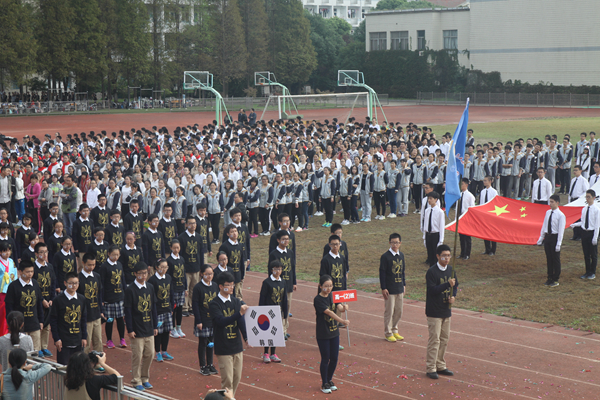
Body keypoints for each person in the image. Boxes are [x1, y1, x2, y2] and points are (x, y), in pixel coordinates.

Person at [209, 272, 248, 396]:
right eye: (228, 285)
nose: (231, 287)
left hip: (236, 346)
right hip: (223, 347)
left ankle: (230, 398)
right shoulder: (214, 304)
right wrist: (238, 314)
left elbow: (240, 321)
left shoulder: (236, 301)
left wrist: (246, 337)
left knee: (237, 377)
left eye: (232, 285)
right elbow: (221, 322)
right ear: (220, 286)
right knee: (228, 380)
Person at [124, 261, 158, 391]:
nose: (143, 276)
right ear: (135, 274)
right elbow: (128, 311)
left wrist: (155, 325)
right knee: (137, 356)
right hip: (137, 329)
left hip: (149, 327)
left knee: (150, 354)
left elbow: (153, 307)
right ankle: (136, 380)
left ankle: (145, 378)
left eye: (145, 273)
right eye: (141, 273)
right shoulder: (130, 290)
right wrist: (130, 329)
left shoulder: (149, 287)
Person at [425, 244, 458, 380]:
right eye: (444, 256)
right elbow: (432, 290)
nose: (446, 258)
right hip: (434, 311)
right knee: (435, 340)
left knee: (444, 339)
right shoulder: (431, 272)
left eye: (448, 256)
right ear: (438, 256)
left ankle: (440, 365)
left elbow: (455, 285)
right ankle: (431, 367)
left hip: (446, 310)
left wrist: (453, 296)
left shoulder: (451, 270)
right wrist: (447, 285)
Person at [314, 274, 349, 394]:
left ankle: (329, 380)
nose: (328, 289)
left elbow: (338, 307)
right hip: (323, 333)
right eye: (326, 286)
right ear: (320, 286)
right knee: (325, 358)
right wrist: (342, 321)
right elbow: (328, 312)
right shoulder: (318, 300)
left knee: (334, 358)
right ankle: (324, 383)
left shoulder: (333, 296)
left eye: (330, 286)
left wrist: (344, 308)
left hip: (334, 332)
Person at [4, 260, 44, 351]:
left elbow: (39, 304)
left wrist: (41, 321)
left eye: (32, 271)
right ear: (20, 271)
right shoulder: (13, 286)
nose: (30, 274)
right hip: (19, 328)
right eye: (27, 272)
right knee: (21, 353)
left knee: (35, 352)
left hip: (34, 325)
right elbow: (9, 307)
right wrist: (11, 324)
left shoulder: (35, 284)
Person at [50, 272, 88, 365]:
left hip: (77, 340)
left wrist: (84, 337)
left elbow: (83, 319)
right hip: (64, 341)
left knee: (78, 368)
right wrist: (57, 339)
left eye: (76, 283)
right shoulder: (58, 300)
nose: (74, 285)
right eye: (71, 283)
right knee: (64, 368)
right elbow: (53, 321)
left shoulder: (82, 299)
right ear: (65, 283)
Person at [267, 230, 295, 337]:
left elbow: (293, 268)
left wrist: (294, 282)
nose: (286, 241)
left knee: (287, 307)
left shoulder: (290, 252)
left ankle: (284, 329)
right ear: (278, 240)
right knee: (278, 307)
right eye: (283, 239)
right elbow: (269, 269)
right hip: (277, 285)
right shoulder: (274, 254)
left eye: (287, 239)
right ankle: (278, 329)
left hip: (288, 284)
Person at [192, 264, 219, 376]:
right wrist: (198, 321)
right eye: (207, 274)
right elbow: (195, 305)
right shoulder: (198, 287)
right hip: (203, 319)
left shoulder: (215, 286)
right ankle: (203, 366)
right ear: (202, 274)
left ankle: (210, 364)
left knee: (211, 342)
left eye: (211, 274)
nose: (209, 276)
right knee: (203, 343)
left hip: (212, 320)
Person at [259, 260, 287, 363]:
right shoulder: (267, 282)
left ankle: (273, 353)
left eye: (279, 269)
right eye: (276, 269)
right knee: (267, 333)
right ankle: (266, 353)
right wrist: (261, 311)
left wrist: (285, 312)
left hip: (278, 311)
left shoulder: (283, 282)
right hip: (267, 311)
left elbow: (284, 298)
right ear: (271, 270)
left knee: (275, 332)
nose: (278, 271)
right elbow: (262, 297)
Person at [379, 233, 405, 343]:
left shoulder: (401, 255)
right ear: (389, 243)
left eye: (397, 242)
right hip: (390, 289)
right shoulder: (385, 257)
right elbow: (382, 273)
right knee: (389, 311)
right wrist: (384, 288)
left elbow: (403, 271)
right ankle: (388, 332)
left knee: (399, 311)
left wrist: (404, 285)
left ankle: (395, 329)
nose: (395, 244)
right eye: (393, 242)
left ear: (400, 243)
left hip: (399, 287)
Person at [77, 252, 104, 358]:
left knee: (98, 341)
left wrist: (101, 310)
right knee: (86, 343)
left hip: (96, 314)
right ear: (83, 263)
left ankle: (98, 363)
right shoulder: (79, 278)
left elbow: (99, 295)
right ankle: (85, 364)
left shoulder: (97, 276)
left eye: (93, 265)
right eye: (89, 265)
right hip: (85, 316)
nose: (92, 267)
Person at [147, 259, 174, 362]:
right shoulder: (152, 280)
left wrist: (171, 307)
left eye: (166, 267)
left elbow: (171, 292)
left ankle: (164, 351)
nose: (164, 269)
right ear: (157, 267)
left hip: (167, 309)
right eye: (162, 267)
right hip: (158, 311)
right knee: (158, 332)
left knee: (166, 331)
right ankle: (158, 352)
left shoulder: (168, 278)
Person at [100, 245, 126, 349]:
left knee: (120, 319)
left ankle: (122, 339)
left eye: (117, 255)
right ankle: (109, 340)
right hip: (109, 297)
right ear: (108, 254)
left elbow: (122, 279)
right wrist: (102, 299)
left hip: (119, 296)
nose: (116, 257)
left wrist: (125, 293)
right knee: (110, 319)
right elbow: (101, 283)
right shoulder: (104, 267)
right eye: (113, 254)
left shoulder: (119, 264)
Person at [178, 216, 205, 317]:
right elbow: (180, 255)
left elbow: (201, 253)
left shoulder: (199, 237)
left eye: (194, 223)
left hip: (196, 268)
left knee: (194, 289)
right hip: (186, 268)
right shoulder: (181, 238)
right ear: (186, 225)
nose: (192, 225)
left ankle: (192, 307)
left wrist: (202, 268)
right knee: (186, 289)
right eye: (190, 223)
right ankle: (184, 308)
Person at [538, 194, 566, 287]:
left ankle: (555, 278)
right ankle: (549, 277)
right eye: (550, 201)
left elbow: (561, 230)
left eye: (552, 202)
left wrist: (559, 243)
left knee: (555, 259)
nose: (550, 204)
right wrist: (541, 238)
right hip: (548, 237)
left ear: (557, 203)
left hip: (555, 237)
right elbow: (544, 225)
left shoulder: (561, 215)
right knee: (549, 258)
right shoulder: (548, 212)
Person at [571, 189, 599, 280]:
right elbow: (583, 222)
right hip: (584, 232)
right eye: (586, 197)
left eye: (589, 197)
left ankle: (592, 272)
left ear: (594, 198)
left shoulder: (596, 210)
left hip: (592, 233)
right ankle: (587, 271)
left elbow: (597, 225)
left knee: (593, 254)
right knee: (586, 253)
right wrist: (575, 224)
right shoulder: (584, 209)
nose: (587, 199)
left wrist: (595, 237)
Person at [33, 242, 55, 357]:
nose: (44, 254)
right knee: (39, 324)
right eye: (41, 252)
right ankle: (38, 348)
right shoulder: (34, 268)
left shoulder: (49, 266)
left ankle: (44, 347)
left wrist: (52, 298)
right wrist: (41, 300)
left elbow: (53, 283)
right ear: (36, 254)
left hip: (48, 301)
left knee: (47, 325)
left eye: (46, 252)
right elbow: (34, 287)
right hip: (38, 301)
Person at [218, 225, 246, 300]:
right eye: (232, 232)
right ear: (227, 234)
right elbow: (222, 262)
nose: (234, 233)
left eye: (235, 231)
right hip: (229, 276)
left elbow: (241, 261)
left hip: (238, 275)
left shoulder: (240, 245)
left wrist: (242, 275)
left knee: (238, 294)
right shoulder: (224, 246)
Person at [167, 240, 186, 339]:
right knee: (173, 309)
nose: (176, 249)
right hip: (173, 289)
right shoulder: (169, 260)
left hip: (181, 288)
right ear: (170, 248)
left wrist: (185, 287)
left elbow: (184, 274)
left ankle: (179, 327)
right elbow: (168, 277)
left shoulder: (182, 259)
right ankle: (172, 328)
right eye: (174, 247)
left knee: (179, 309)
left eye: (178, 247)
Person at [0, 241, 19, 336]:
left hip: (11, 290)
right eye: (4, 251)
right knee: (2, 313)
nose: (7, 253)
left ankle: (10, 331)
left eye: (8, 251)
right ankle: (2, 333)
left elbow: (15, 274)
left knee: (11, 312)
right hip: (1, 292)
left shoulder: (11, 262)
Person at [422, 192, 445, 266]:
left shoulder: (440, 212)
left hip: (435, 234)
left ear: (436, 200)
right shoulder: (427, 211)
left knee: (436, 254)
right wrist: (424, 237)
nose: (429, 200)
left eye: (431, 199)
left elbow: (441, 227)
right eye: (428, 198)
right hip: (428, 234)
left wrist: (441, 240)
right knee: (430, 252)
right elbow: (425, 224)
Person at [569, 165, 590, 240]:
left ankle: (580, 235)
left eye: (576, 170)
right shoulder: (573, 180)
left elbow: (586, 191)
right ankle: (575, 234)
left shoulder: (583, 180)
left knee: (579, 218)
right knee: (574, 219)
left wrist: (581, 200)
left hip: (579, 200)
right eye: (574, 170)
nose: (575, 171)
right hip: (573, 199)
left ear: (580, 171)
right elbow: (570, 191)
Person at [457, 178, 475, 260]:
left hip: (467, 218)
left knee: (467, 237)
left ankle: (467, 253)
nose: (461, 185)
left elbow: (472, 208)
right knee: (461, 237)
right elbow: (458, 207)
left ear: (467, 185)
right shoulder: (459, 195)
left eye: (462, 184)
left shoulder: (470, 196)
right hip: (460, 217)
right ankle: (462, 252)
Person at [72, 203, 94, 272]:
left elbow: (92, 234)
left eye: (87, 210)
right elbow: (74, 235)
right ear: (80, 212)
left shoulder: (91, 221)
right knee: (81, 265)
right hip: (81, 248)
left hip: (90, 247)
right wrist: (76, 248)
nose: (86, 212)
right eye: (84, 210)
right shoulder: (76, 222)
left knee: (90, 264)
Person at [480, 176, 498, 255]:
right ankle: (487, 249)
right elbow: (481, 203)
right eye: (484, 180)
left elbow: (496, 203)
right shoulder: (482, 191)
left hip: (491, 214)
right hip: (484, 214)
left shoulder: (494, 192)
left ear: (490, 181)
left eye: (486, 180)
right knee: (485, 232)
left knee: (492, 232)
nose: (484, 182)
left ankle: (493, 250)